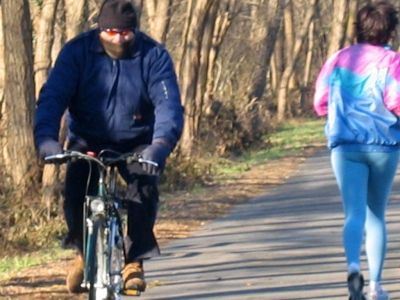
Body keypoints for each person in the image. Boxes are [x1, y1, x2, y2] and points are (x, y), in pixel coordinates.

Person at [34, 0, 184, 294]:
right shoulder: (77, 53)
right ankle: (81, 254)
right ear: (100, 29)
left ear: (134, 31)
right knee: (76, 191)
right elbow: (52, 97)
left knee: (143, 192)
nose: (118, 38)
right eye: (112, 31)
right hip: (89, 140)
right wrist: (46, 139)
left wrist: (160, 144)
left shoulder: (154, 56)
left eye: (126, 33)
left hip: (138, 140)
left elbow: (168, 106)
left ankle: (134, 262)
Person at [313, 2, 400, 300]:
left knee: (353, 214)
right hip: (383, 146)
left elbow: (320, 103)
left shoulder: (337, 60)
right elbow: (396, 100)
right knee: (376, 215)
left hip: (346, 146)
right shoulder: (393, 61)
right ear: (390, 30)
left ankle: (353, 267)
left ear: (358, 28)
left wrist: (339, 112)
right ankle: (375, 286)